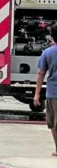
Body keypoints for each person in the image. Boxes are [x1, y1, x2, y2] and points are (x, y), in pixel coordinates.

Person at [34, 24, 57, 157]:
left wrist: (37, 94)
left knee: (54, 123)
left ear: (52, 37)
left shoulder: (47, 53)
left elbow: (41, 73)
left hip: (53, 93)